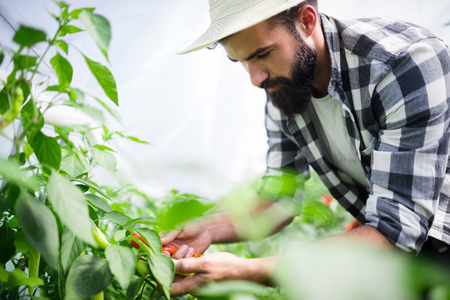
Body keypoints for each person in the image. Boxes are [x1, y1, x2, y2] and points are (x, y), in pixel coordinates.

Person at [161, 0, 450, 296]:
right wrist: (207, 228)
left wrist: (248, 270)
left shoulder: (402, 65)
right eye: (242, 62)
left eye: (262, 54)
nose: (254, 78)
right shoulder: (285, 85)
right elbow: (277, 201)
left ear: (307, 21)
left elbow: (395, 232)